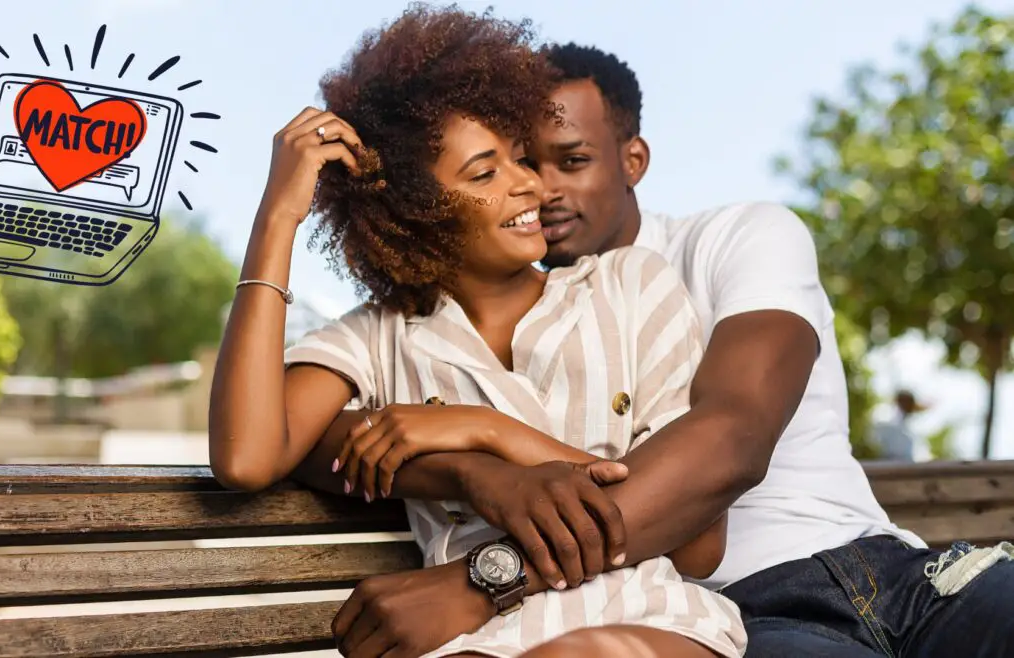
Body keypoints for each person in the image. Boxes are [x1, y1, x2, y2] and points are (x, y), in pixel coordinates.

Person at [297, 40, 1014, 656]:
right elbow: (304, 443)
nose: (540, 188)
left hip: (893, 571)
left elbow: (732, 439)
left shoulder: (735, 237)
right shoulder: (501, 327)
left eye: (570, 160)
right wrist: (466, 466)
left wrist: (482, 579)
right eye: (519, 161)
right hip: (744, 617)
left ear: (632, 158)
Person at [209, 5, 747, 657]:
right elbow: (246, 457)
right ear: (415, 212)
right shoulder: (379, 338)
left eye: (520, 159)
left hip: (651, 622)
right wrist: (278, 217)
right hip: (478, 639)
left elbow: (698, 542)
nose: (528, 185)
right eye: (485, 173)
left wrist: (487, 431)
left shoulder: (631, 285)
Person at [872, 389, 926, 461]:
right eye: (906, 402)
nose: (909, 406)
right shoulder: (886, 417)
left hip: (907, 463)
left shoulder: (911, 424)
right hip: (889, 462)